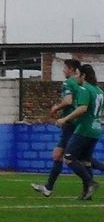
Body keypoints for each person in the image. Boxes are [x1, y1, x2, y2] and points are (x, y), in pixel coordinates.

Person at [33, 58, 86, 196]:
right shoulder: (82, 83)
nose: (63, 70)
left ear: (71, 69)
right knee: (61, 155)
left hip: (70, 123)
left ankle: (89, 182)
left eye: (64, 68)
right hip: (79, 123)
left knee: (72, 157)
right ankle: (48, 188)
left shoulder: (69, 82)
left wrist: (56, 108)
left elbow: (68, 101)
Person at [50, 62, 100, 202]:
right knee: (86, 162)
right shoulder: (99, 91)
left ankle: (90, 182)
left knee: (69, 158)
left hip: (84, 129)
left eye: (78, 74)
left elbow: (82, 109)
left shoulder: (85, 89)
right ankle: (86, 194)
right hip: (96, 129)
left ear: (83, 75)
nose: (76, 77)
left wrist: (64, 118)